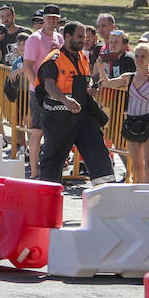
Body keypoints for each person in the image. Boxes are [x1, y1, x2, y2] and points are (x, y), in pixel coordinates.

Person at [35, 20, 114, 185]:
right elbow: (48, 84)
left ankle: (106, 192)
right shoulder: (54, 58)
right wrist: (64, 99)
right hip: (58, 119)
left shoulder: (83, 56)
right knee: (52, 160)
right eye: (79, 37)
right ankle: (47, 196)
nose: (83, 40)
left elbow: (86, 81)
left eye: (84, 37)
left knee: (98, 153)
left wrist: (91, 88)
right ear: (67, 36)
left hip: (83, 116)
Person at [99, 41, 149, 183]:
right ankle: (140, 194)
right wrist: (100, 68)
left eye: (143, 56)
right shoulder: (128, 77)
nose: (139, 59)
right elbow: (107, 83)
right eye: (137, 56)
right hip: (131, 122)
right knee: (137, 165)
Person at [21, 7, 62, 178]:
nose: (51, 21)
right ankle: (34, 171)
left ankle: (52, 170)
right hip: (39, 92)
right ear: (43, 19)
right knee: (37, 131)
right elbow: (27, 66)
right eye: (49, 18)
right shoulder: (34, 39)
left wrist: (59, 49)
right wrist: (38, 88)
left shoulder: (59, 38)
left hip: (56, 91)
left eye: (55, 18)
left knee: (55, 133)